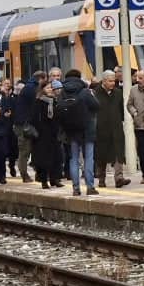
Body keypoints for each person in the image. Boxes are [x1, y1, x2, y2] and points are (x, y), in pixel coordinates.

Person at [58, 68, 100, 197]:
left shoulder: (62, 92)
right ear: (79, 77)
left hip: (71, 130)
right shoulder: (85, 91)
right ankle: (90, 186)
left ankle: (76, 188)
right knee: (88, 158)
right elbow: (97, 106)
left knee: (73, 159)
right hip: (87, 129)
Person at [94, 71, 130, 188]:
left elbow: (121, 109)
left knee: (118, 152)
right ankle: (101, 178)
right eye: (110, 81)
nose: (113, 83)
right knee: (101, 154)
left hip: (116, 127)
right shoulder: (95, 93)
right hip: (101, 128)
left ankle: (119, 177)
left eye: (114, 80)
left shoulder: (118, 93)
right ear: (103, 81)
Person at [32, 79, 64, 189]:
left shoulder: (54, 101)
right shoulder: (39, 102)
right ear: (42, 90)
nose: (50, 90)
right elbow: (35, 118)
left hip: (54, 133)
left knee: (56, 157)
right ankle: (44, 180)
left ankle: (55, 179)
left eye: (51, 88)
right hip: (42, 135)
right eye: (48, 88)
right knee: (44, 159)